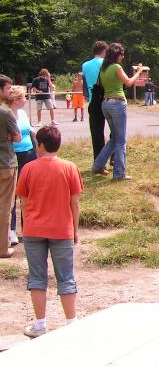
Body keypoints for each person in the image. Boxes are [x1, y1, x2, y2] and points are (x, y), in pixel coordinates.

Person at [15, 125, 83, 338]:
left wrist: (27, 226)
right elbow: (75, 203)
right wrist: (74, 229)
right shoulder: (69, 168)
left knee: (37, 277)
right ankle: (71, 322)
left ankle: (40, 324)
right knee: (66, 277)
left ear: (41, 145)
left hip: (34, 229)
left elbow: (23, 202)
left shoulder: (28, 169)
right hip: (62, 229)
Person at [91, 43, 146, 181]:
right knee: (121, 141)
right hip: (117, 103)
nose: (123, 57)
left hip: (105, 104)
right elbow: (128, 83)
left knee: (115, 138)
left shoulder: (104, 68)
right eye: (122, 54)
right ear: (117, 55)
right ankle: (119, 174)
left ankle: (98, 165)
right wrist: (139, 72)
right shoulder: (116, 67)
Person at [7, 86, 36, 246]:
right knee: (13, 193)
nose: (26, 99)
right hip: (14, 155)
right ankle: (11, 229)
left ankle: (28, 227)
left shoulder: (23, 113)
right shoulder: (6, 114)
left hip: (29, 153)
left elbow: (30, 130)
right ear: (16, 99)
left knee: (28, 192)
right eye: (24, 97)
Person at [0, 75, 21, 258]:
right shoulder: (5, 112)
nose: (10, 91)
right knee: (5, 207)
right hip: (5, 164)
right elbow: (17, 137)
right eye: (7, 88)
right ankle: (2, 248)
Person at [82, 41, 108, 159]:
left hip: (93, 100)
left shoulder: (85, 65)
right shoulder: (106, 63)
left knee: (97, 133)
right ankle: (113, 155)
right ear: (104, 51)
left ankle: (99, 160)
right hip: (107, 98)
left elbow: (85, 82)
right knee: (115, 130)